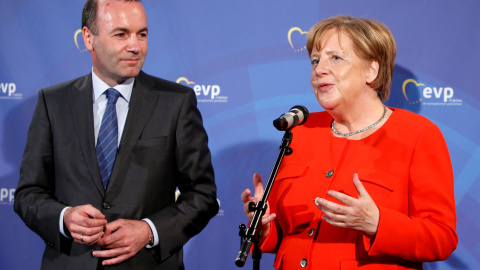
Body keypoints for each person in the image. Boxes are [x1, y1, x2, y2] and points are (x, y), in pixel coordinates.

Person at [13, 0, 218, 269]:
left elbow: (202, 196)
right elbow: (28, 194)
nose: (135, 46)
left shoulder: (176, 102)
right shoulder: (53, 103)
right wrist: (64, 217)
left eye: (142, 34)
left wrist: (149, 231)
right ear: (89, 38)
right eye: (121, 34)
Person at [241, 15, 457, 269]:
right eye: (315, 60)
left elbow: (441, 238)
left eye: (335, 58)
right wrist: (264, 224)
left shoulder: (418, 134)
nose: (319, 69)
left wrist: (377, 223)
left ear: (371, 70)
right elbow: (282, 233)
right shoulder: (301, 130)